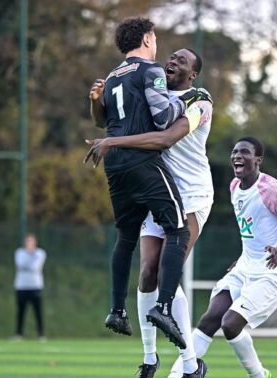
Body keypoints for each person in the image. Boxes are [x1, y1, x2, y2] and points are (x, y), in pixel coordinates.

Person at [86, 47, 213, 378]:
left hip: (192, 194)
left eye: (182, 61)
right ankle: (149, 359)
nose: (172, 61)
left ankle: (191, 366)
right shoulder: (151, 90)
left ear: (192, 74)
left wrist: (113, 142)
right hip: (156, 188)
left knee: (165, 271)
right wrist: (97, 102)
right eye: (171, 57)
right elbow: (107, 122)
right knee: (146, 273)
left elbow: (165, 139)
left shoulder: (199, 100)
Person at [87, 17, 199, 349]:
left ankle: (117, 310)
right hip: (142, 161)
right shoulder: (150, 70)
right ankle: (163, 308)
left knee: (126, 236)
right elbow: (163, 118)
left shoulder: (112, 76)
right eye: (156, 38)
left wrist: (94, 101)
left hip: (114, 164)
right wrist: (185, 101)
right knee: (178, 230)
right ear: (147, 39)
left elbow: (102, 121)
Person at [185, 137, 277, 378]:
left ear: (258, 160)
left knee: (230, 324)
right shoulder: (234, 187)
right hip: (245, 268)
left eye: (244, 152)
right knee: (210, 318)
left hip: (272, 274)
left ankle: (258, 376)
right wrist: (242, 259)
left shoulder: (271, 190)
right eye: (234, 152)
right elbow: (252, 232)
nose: (237, 156)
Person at [13, 233, 47, 341]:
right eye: (27, 241)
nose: (29, 244)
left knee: (38, 312)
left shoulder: (40, 253)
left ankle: (41, 334)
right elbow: (20, 265)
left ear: (35, 243)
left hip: (35, 286)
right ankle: (19, 334)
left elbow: (35, 267)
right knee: (21, 312)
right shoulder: (19, 252)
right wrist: (29, 261)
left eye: (31, 241)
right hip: (21, 286)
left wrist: (27, 264)